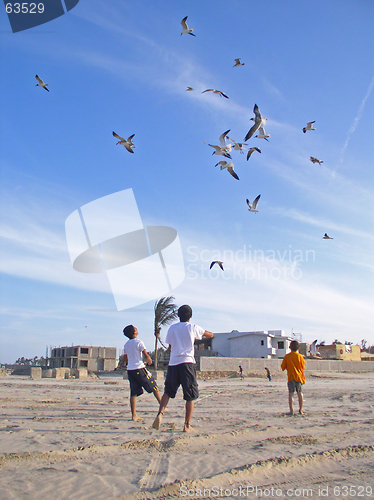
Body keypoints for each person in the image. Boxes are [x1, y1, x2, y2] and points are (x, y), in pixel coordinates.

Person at [152, 304, 214, 432]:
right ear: (191, 316)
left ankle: (160, 413)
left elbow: (169, 345)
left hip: (173, 363)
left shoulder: (172, 328)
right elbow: (210, 335)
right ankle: (186, 425)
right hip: (187, 363)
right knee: (190, 394)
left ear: (178, 316)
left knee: (168, 392)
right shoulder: (192, 327)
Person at [123, 325, 162, 421]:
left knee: (133, 392)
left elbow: (125, 358)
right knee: (154, 386)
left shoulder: (126, 344)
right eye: (135, 328)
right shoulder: (139, 342)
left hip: (130, 370)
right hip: (139, 369)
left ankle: (134, 415)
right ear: (134, 332)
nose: (137, 329)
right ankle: (162, 406)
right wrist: (149, 360)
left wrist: (132, 362)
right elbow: (145, 354)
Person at [281, 340, 305, 415]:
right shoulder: (300, 356)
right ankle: (300, 410)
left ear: (289, 347)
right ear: (299, 348)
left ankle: (291, 411)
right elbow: (303, 367)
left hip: (291, 377)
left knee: (291, 394)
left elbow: (283, 367)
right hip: (299, 377)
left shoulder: (287, 357)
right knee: (300, 393)